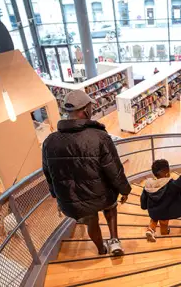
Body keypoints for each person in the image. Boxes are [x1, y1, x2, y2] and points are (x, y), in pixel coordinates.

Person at [42, 90, 131, 256]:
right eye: (90, 106)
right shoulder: (99, 136)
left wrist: (56, 195)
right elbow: (114, 169)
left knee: (91, 221)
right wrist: (124, 190)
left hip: (73, 199)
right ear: (85, 111)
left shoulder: (49, 141)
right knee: (110, 207)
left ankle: (101, 249)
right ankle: (114, 241)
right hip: (101, 194)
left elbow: (48, 173)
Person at [141, 159, 181, 242]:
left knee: (154, 219)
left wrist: (144, 206)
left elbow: (143, 197)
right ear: (166, 172)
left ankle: (150, 229)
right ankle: (164, 233)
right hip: (165, 211)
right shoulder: (170, 185)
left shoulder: (149, 185)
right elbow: (180, 182)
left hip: (153, 211)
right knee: (163, 221)